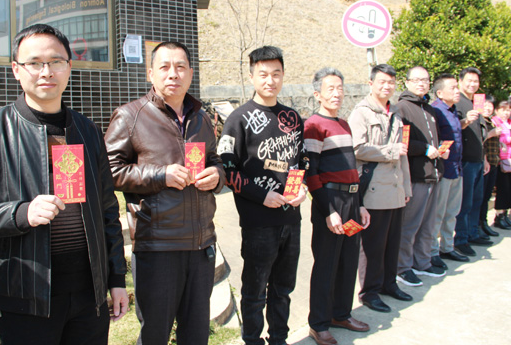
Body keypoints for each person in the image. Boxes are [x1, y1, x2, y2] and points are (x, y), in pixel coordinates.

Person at [0, 24, 128, 344]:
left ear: (69, 67)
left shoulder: (87, 130)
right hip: (25, 295)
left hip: (88, 295)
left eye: (56, 61)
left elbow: (107, 209)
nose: (46, 71)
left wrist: (116, 278)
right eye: (34, 63)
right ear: (16, 70)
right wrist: (21, 213)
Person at [105, 41, 225, 345]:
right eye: (165, 67)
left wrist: (217, 176)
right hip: (157, 246)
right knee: (155, 334)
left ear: (191, 73)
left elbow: (214, 160)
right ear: (150, 74)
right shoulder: (130, 116)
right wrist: (160, 175)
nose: (173, 74)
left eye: (180, 67)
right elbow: (109, 171)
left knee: (196, 334)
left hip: (201, 244)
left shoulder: (201, 117)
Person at [218, 46, 307, 345]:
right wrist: (261, 195)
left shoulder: (292, 117)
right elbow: (227, 168)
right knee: (255, 291)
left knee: (284, 288)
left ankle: (279, 338)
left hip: (291, 218)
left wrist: (301, 188)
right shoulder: (238, 119)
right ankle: (253, 340)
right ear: (252, 76)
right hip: (258, 221)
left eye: (276, 74)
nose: (270, 80)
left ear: (283, 75)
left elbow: (300, 160)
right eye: (263, 74)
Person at [305, 67, 370, 345]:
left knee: (348, 259)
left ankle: (341, 314)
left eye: (340, 88)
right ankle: (319, 324)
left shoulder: (343, 123)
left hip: (352, 203)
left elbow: (351, 168)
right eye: (330, 88)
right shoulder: (313, 126)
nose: (337, 93)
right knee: (327, 264)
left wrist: (361, 204)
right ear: (317, 94)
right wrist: (328, 210)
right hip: (331, 202)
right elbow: (311, 174)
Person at [348, 64, 412, 313]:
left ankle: (389, 284)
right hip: (374, 190)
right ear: (371, 83)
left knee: (392, 243)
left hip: (395, 188)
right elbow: (356, 149)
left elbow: (403, 154)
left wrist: (406, 186)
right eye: (382, 81)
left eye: (391, 82)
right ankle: (369, 291)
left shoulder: (395, 112)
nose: (387, 86)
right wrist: (391, 151)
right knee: (372, 246)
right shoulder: (361, 113)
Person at [395, 66, 447, 287]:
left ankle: (422, 262)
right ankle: (403, 267)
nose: (421, 83)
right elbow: (401, 141)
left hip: (433, 173)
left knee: (427, 224)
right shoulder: (402, 108)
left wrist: (440, 149)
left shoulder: (430, 109)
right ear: (407, 82)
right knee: (410, 225)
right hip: (416, 176)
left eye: (425, 80)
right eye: (416, 80)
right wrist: (425, 149)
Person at [430, 74, 470, 266]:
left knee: (452, 212)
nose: (457, 91)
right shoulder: (436, 111)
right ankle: (432, 251)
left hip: (457, 168)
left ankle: (447, 247)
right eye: (453, 88)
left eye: (457, 87)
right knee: (438, 213)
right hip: (443, 170)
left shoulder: (453, 110)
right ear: (440, 93)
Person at [454, 67, 493, 257]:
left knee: (476, 200)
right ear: (460, 81)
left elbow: (480, 134)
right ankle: (461, 240)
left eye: (475, 81)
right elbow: (453, 128)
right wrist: (466, 121)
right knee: (465, 203)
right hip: (466, 161)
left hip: (478, 160)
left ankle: (472, 233)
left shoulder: (476, 102)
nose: (472, 84)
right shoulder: (457, 102)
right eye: (469, 80)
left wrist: (484, 158)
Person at [479, 95, 502, 236]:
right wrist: (491, 134)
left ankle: (484, 223)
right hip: (484, 163)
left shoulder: (491, 122)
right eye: (485, 105)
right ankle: (478, 225)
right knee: (480, 197)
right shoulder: (478, 121)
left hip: (494, 162)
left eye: (490, 106)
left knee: (487, 196)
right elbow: (480, 141)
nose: (488, 108)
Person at [491, 100, 511, 229]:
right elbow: (500, 139)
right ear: (497, 110)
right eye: (503, 110)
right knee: (503, 189)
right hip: (501, 161)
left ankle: (505, 214)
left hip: (509, 160)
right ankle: (499, 216)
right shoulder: (495, 122)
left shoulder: (509, 123)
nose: (506, 113)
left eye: (508, 110)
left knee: (508, 190)